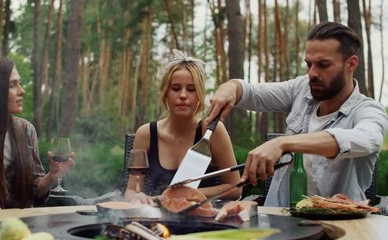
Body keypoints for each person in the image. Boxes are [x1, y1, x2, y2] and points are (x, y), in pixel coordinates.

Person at [206, 21, 388, 207]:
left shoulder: (369, 110)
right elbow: (254, 94)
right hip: (280, 221)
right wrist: (231, 87)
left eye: (323, 65)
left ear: (351, 64)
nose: (312, 73)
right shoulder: (302, 89)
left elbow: (367, 139)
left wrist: (282, 143)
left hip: (336, 229)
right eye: (308, 64)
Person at [124, 49, 241, 204]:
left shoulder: (212, 131)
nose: (183, 95)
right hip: (158, 222)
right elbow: (132, 190)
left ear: (200, 95)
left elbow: (235, 187)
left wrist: (185, 194)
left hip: (202, 222)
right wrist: (138, 197)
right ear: (166, 93)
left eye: (191, 89)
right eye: (176, 88)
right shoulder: (146, 134)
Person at [0, 55, 75, 211]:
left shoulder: (26, 130)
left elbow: (34, 191)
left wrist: (52, 176)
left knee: (80, 202)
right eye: (12, 85)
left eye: (19, 83)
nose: (22, 91)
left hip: (20, 223)